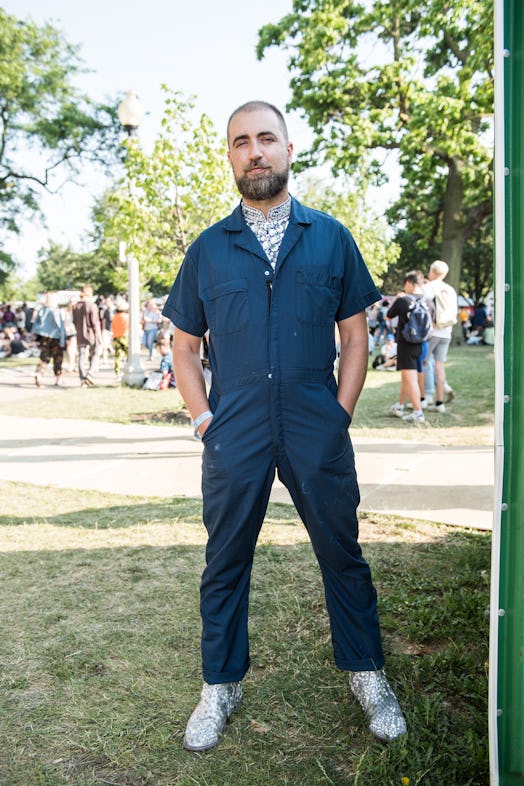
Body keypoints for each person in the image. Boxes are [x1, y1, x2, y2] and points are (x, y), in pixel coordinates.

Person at [162, 100, 406, 752]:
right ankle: (221, 684)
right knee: (225, 561)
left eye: (266, 137)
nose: (255, 151)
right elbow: (185, 345)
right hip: (235, 424)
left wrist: (339, 414)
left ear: (290, 149)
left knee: (342, 554)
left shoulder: (329, 236)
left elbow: (354, 336)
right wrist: (204, 418)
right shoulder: (210, 250)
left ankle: (367, 674)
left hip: (312, 420)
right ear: (231, 157)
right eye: (241, 141)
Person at [386, 271, 433, 423]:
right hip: (424, 344)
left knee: (410, 378)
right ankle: (400, 405)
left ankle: (418, 412)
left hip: (407, 344)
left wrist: (398, 299)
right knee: (409, 377)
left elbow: (388, 315)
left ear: (409, 283)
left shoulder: (403, 301)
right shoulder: (429, 302)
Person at [422, 260, 457, 413]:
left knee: (424, 363)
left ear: (432, 271)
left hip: (431, 331)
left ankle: (427, 395)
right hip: (446, 331)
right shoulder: (450, 289)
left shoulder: (428, 288)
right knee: (440, 365)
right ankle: (440, 402)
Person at [32, 292, 66, 386]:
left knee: (44, 357)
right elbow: (61, 326)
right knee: (58, 358)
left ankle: (39, 374)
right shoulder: (57, 311)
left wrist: (35, 334)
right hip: (56, 337)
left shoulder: (42, 310)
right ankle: (58, 379)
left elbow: (36, 324)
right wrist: (63, 339)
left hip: (44, 337)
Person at [72, 285, 102, 386]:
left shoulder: (75, 306)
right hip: (91, 334)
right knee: (96, 353)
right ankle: (90, 373)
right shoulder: (92, 305)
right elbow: (95, 323)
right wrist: (99, 337)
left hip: (80, 334)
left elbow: (74, 321)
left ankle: (82, 379)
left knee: (81, 356)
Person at [111, 298, 129, 380]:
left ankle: (117, 372)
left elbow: (113, 327)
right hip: (125, 337)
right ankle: (127, 368)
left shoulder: (115, 317)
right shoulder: (127, 317)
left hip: (116, 337)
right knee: (129, 354)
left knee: (117, 355)